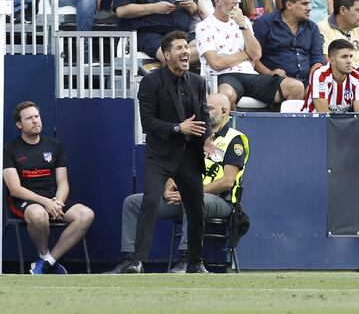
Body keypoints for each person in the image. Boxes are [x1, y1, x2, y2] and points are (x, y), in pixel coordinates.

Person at [104, 93, 249, 274]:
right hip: (185, 196)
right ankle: (131, 261)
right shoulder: (195, 138)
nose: (204, 112)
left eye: (209, 109)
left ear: (225, 111)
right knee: (133, 202)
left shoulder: (235, 139)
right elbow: (173, 171)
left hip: (219, 200)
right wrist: (167, 189)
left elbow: (228, 181)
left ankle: (186, 260)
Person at [110, 30, 216, 274]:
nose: (185, 52)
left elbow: (204, 117)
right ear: (167, 55)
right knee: (149, 201)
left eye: (186, 48)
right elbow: (148, 123)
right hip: (160, 156)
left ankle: (196, 261)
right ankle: (137, 260)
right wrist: (179, 128)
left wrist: (207, 137)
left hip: (189, 155)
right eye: (179, 48)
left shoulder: (198, 82)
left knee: (196, 207)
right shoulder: (151, 82)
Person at [3, 101, 95, 275]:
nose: (35, 121)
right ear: (19, 124)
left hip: (54, 200)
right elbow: (15, 189)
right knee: (39, 214)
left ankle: (47, 262)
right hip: (26, 202)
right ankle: (43, 255)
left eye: (37, 116)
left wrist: (58, 202)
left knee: (86, 215)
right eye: (29, 118)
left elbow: (63, 182)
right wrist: (46, 203)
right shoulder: (10, 149)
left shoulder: (53, 145)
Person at [195, 0, 304, 110]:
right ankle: (230, 127)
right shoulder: (204, 26)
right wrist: (246, 54)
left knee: (296, 87)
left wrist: (242, 25)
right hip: (224, 76)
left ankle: (284, 127)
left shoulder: (244, 21)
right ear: (217, 1)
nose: (237, 0)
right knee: (226, 95)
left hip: (250, 75)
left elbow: (256, 54)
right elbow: (216, 63)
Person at [253, 0, 324, 87]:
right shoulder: (264, 23)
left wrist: (313, 84)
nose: (309, 8)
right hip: (274, 83)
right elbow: (253, 57)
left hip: (307, 82)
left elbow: (317, 60)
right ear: (289, 5)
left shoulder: (312, 27)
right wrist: (269, 73)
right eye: (304, 4)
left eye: (309, 3)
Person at [112, 0, 199, 65]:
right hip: (146, 33)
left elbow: (194, 10)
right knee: (170, 57)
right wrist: (154, 8)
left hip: (179, 33)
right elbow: (121, 11)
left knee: (205, 44)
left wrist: (190, 5)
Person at [302, 39, 359, 112]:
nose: (349, 61)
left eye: (351, 56)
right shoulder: (320, 75)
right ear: (332, 61)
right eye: (344, 57)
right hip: (312, 121)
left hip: (344, 122)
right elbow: (323, 114)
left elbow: (358, 116)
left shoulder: (357, 78)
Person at [317, 0, 359, 70]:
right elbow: (329, 62)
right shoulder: (322, 28)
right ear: (343, 10)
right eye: (358, 10)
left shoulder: (357, 27)